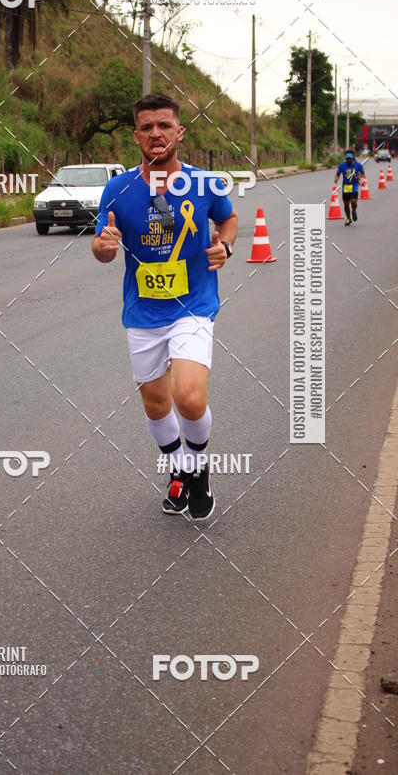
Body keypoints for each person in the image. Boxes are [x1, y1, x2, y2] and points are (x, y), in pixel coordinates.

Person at [92, 93, 238, 520]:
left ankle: (199, 468)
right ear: (136, 135)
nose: (156, 133)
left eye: (164, 125)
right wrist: (104, 247)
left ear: (179, 132)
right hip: (143, 313)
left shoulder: (206, 184)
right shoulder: (118, 190)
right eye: (147, 127)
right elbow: (101, 248)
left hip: (193, 305)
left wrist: (226, 246)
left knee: (188, 397)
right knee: (156, 404)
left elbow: (228, 219)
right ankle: (179, 468)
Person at [334, 149, 364, 225]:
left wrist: (359, 176)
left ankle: (354, 211)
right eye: (347, 158)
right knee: (346, 204)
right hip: (346, 187)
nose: (348, 160)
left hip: (354, 186)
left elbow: (362, 173)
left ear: (353, 158)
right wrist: (336, 178)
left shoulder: (357, 164)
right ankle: (348, 218)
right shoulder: (342, 165)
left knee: (353, 202)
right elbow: (338, 174)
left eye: (350, 158)